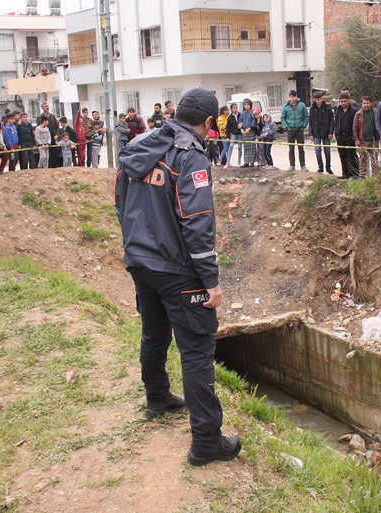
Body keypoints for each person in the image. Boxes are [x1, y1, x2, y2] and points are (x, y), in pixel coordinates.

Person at [114, 87, 241, 467]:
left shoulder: (141, 144)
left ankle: (157, 398)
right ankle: (206, 441)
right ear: (206, 122)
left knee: (154, 332)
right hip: (176, 269)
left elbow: (120, 202)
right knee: (197, 349)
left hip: (141, 261)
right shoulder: (190, 156)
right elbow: (198, 222)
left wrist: (137, 247)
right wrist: (211, 281)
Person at [281, 90, 309, 171]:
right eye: (291, 97)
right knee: (291, 148)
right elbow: (283, 118)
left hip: (299, 129)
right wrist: (286, 127)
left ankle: (303, 165)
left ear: (297, 96)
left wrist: (303, 126)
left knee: (301, 148)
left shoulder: (302, 105)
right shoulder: (286, 107)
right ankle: (292, 165)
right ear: (289, 97)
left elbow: (306, 116)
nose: (293, 98)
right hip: (290, 130)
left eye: (294, 96)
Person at [354, 96, 380, 179]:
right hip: (363, 140)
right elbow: (355, 128)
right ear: (362, 104)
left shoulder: (376, 112)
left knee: (374, 159)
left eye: (367, 103)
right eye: (364, 103)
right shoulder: (358, 114)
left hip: (374, 140)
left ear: (371, 103)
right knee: (362, 159)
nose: (366, 105)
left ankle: (375, 175)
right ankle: (362, 175)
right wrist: (357, 139)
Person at [334, 93, 359, 179]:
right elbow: (336, 122)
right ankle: (345, 173)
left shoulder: (353, 111)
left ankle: (355, 173)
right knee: (342, 156)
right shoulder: (338, 110)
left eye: (345, 101)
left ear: (348, 100)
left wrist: (355, 136)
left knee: (351, 155)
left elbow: (356, 124)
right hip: (340, 137)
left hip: (350, 137)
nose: (343, 103)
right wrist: (336, 134)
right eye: (342, 101)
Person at [309, 91, 334, 174]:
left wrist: (331, 132)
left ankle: (328, 167)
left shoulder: (327, 108)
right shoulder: (312, 109)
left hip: (326, 132)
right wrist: (310, 134)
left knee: (327, 150)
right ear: (314, 100)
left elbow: (331, 121)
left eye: (320, 99)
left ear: (322, 99)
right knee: (317, 150)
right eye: (317, 99)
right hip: (316, 133)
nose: (319, 101)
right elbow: (311, 122)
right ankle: (320, 167)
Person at [238, 99, 257, 168]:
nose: (246, 106)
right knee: (246, 147)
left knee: (252, 147)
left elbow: (254, 122)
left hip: (251, 131)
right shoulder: (242, 114)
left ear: (250, 105)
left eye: (248, 104)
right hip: (244, 132)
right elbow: (239, 123)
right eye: (245, 105)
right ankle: (246, 162)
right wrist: (242, 129)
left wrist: (249, 129)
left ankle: (252, 162)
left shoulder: (252, 113)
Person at [225, 103, 241, 169]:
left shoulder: (240, 115)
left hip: (240, 133)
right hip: (234, 134)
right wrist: (227, 137)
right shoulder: (230, 117)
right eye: (234, 108)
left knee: (240, 147)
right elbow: (228, 128)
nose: (235, 109)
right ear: (231, 109)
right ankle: (227, 162)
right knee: (231, 146)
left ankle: (239, 162)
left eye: (236, 107)